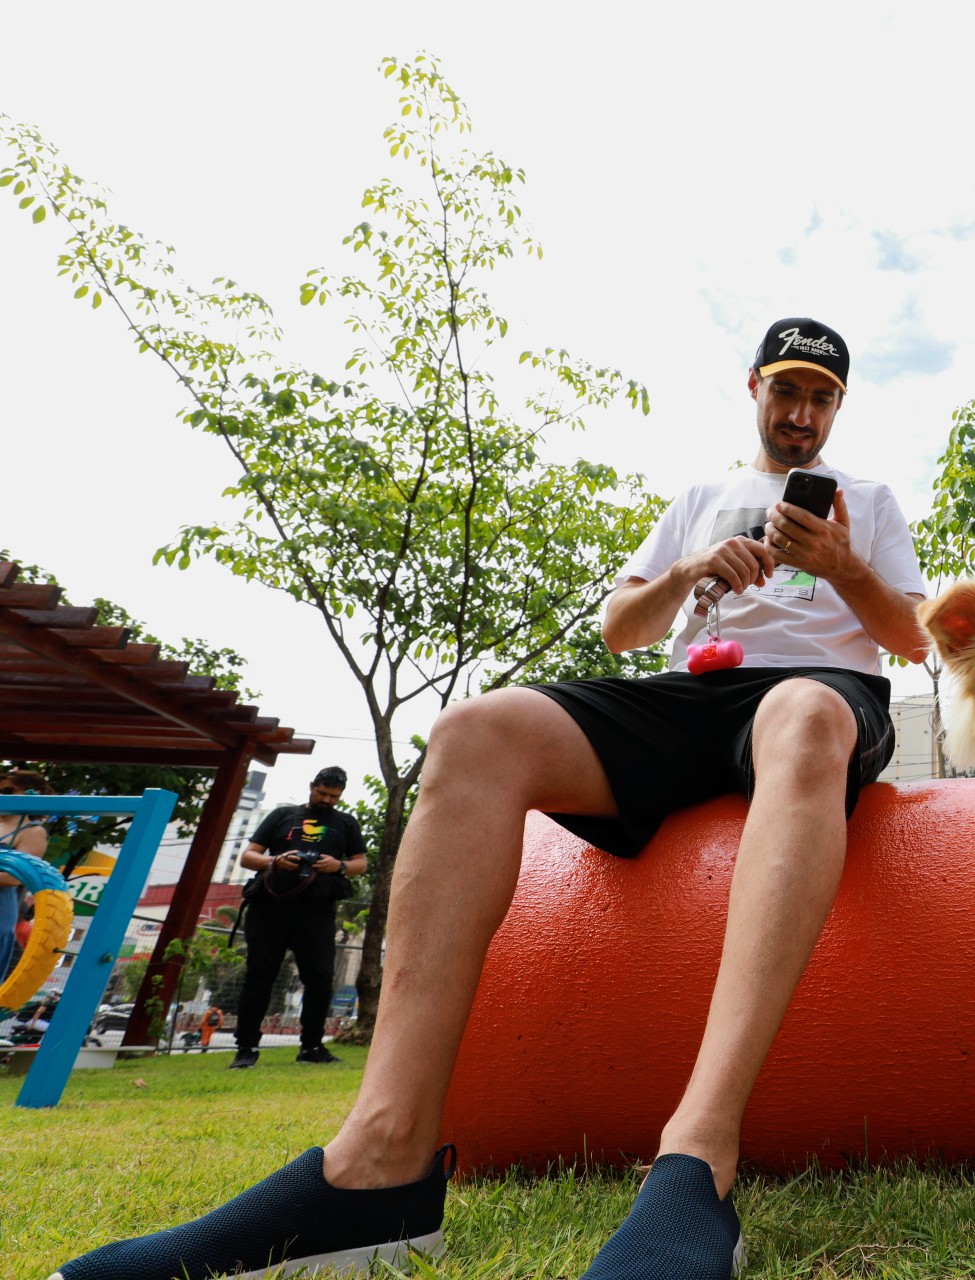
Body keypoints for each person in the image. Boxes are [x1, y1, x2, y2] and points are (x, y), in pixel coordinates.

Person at [55, 317, 930, 1280]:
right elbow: (621, 632)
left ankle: (699, 1157)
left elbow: (918, 637)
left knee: (801, 711)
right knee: (475, 729)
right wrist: (690, 571)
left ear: (838, 409)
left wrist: (842, 566)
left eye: (822, 399)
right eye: (788, 391)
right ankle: (378, 1161)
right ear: (755, 386)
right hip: (689, 694)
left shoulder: (871, 500)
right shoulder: (700, 496)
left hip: (819, 699)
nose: (802, 414)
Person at [229, 766, 367, 1069]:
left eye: (334, 796)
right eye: (322, 793)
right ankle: (246, 1048)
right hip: (269, 907)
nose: (327, 800)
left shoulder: (345, 823)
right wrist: (276, 860)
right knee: (259, 977)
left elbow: (361, 863)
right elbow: (249, 856)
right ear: (311, 786)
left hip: (317, 911)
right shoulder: (282, 816)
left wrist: (338, 866)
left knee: (319, 979)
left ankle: (312, 1047)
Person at [0, 768, 51, 984]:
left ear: (34, 793)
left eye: (9, 790)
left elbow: (16, 876)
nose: (2, 794)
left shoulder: (33, 831)